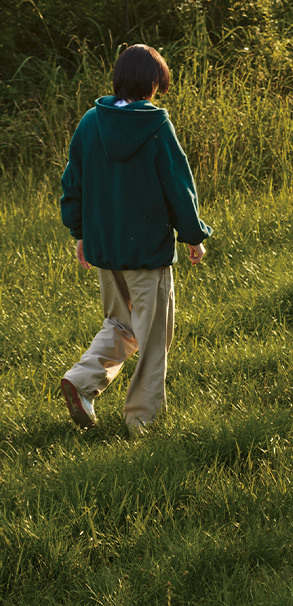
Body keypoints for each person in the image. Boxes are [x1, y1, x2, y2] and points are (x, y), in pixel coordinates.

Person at [60, 44, 212, 435]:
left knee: (121, 323)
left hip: (105, 250)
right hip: (147, 251)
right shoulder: (157, 125)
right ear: (152, 84)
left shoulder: (90, 122)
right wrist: (193, 235)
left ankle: (81, 381)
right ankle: (141, 421)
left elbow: (72, 185)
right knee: (154, 336)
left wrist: (81, 233)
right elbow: (178, 186)